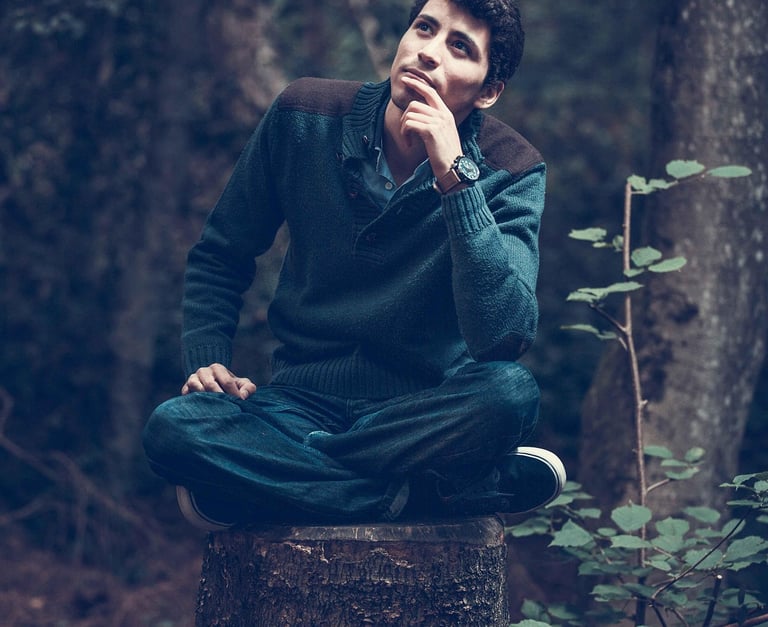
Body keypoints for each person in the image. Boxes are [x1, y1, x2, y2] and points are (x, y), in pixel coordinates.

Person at [143, 0, 565, 531]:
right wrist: (206, 361)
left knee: (510, 394)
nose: (429, 52)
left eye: (460, 47)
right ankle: (421, 490)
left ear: (488, 91)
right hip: (296, 405)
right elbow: (222, 252)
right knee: (175, 428)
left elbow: (502, 337)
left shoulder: (514, 169)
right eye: (425, 28)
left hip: (420, 414)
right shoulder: (304, 115)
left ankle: (280, 483)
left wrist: (456, 179)